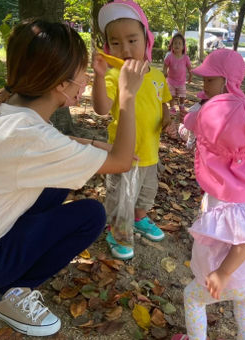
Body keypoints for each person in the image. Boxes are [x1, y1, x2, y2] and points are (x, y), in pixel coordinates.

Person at [0, 19, 148, 337]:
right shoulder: (29, 138)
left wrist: (95, 145)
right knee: (91, 215)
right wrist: (128, 95)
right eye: (81, 71)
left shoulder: (7, 106)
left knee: (60, 181)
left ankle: (8, 274)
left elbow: (60, 144)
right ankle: (9, 292)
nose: (87, 78)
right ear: (61, 84)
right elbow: (120, 163)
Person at [172, 49, 245, 340]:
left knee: (193, 297)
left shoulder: (226, 194)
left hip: (232, 273)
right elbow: (200, 121)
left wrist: (222, 273)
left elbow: (243, 242)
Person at [93, 0, 172, 260]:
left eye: (132, 40)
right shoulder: (114, 76)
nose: (124, 49)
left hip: (150, 153)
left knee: (146, 194)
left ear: (147, 40)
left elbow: (163, 101)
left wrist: (168, 117)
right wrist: (98, 76)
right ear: (107, 46)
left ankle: (139, 219)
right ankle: (117, 232)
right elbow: (102, 108)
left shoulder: (157, 75)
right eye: (115, 42)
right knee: (120, 198)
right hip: (122, 157)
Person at [163, 33, 192, 139]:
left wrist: (191, 75)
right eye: (175, 43)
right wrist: (164, 72)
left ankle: (181, 105)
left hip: (181, 81)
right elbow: (165, 66)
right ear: (172, 45)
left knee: (182, 94)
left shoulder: (185, 58)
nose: (177, 45)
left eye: (179, 43)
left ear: (183, 46)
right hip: (171, 80)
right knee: (171, 95)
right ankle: (172, 107)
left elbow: (189, 68)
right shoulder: (169, 56)